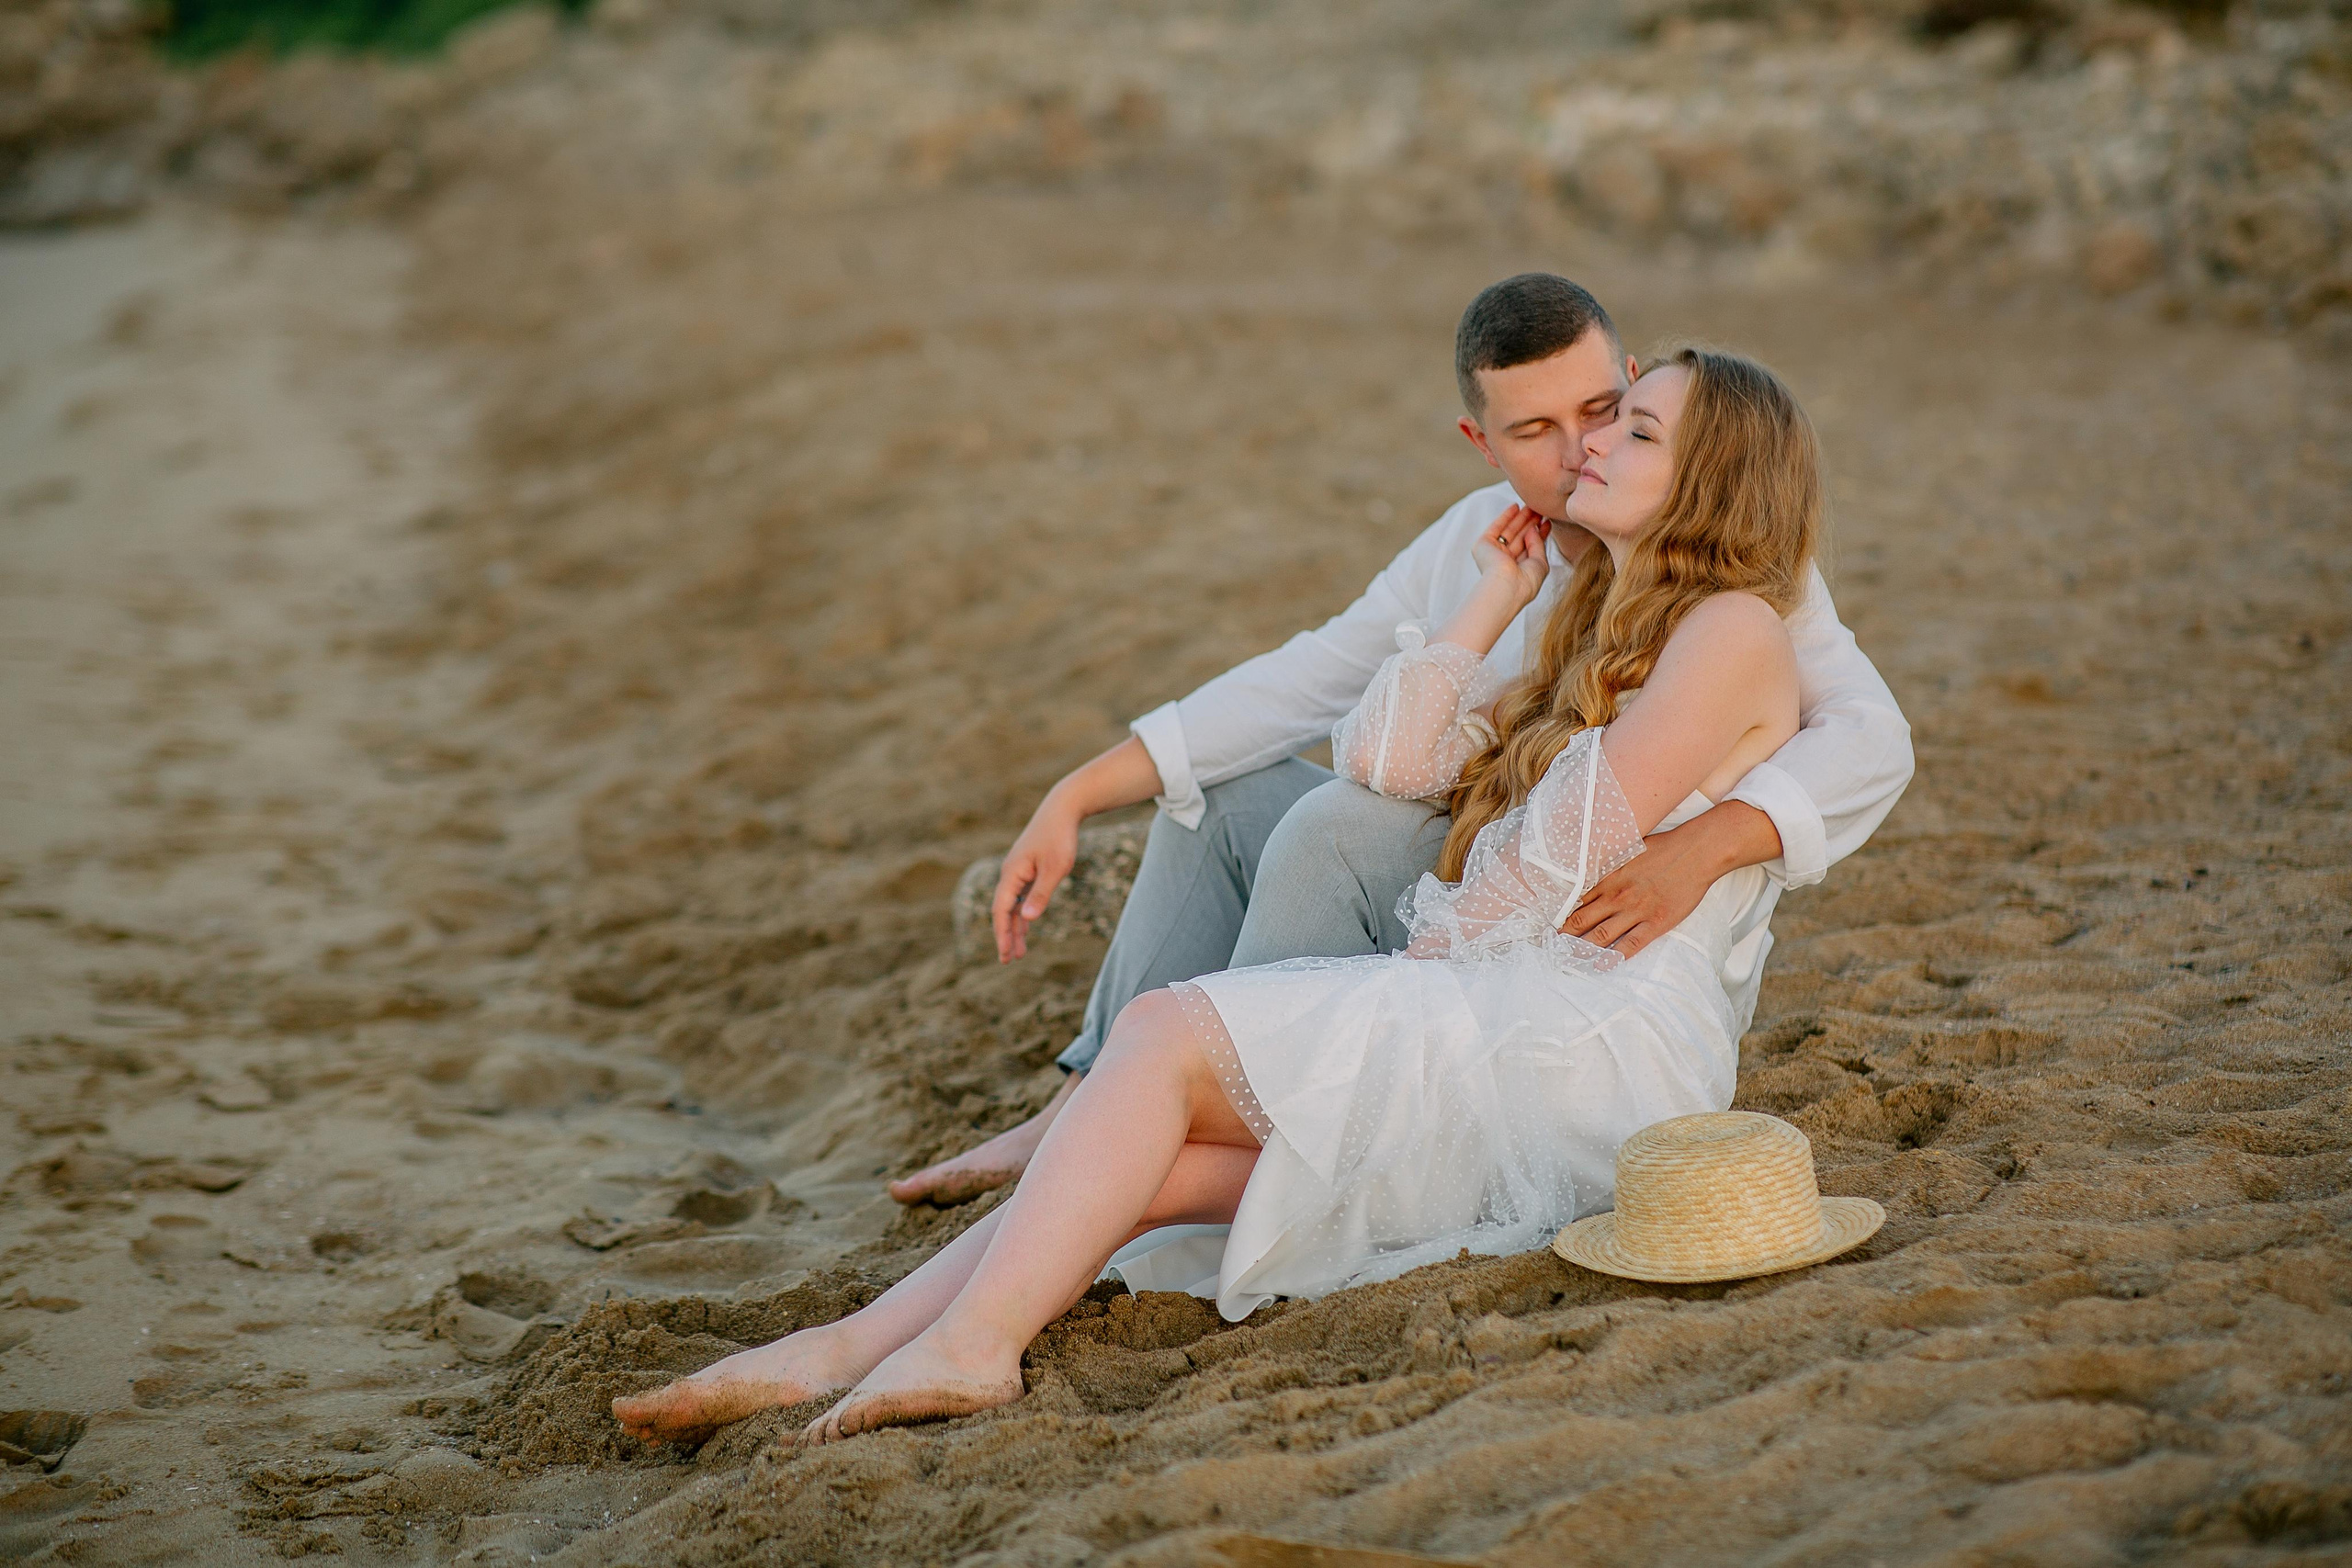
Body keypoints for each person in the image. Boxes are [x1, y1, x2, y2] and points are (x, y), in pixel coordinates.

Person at [615, 344, 1858, 1447]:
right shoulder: (1593, 611)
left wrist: (1395, 983)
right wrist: (1488, 601)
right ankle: (852, 1344)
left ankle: (971, 1347)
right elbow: (1384, 762)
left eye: (1634, 428)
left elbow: (1556, 860)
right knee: (1141, 1164)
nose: (1591, 441)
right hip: (1519, 1003)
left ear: (1710, 480)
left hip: (1585, 1044)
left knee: (1163, 1033)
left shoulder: (1735, 626)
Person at [888, 274, 1910, 1209]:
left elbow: (1870, 739)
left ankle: (1212, 1100)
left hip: (1568, 929)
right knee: (1228, 802)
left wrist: (1710, 845)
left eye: (1602, 414)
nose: (1573, 453)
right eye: (1533, 430)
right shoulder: (1481, 539)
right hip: (1474, 865)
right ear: (1483, 442)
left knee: (1333, 821)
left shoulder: (1724, 566)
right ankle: (1087, 1100)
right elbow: (1307, 677)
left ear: (1634, 388)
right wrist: (1076, 792)